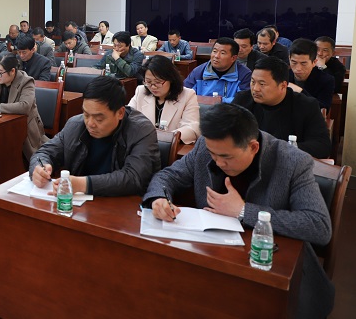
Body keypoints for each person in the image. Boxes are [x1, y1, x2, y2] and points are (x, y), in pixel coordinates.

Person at [142, 103, 333, 319]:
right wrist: (159, 197)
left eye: (227, 157)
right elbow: (168, 176)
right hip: (214, 259)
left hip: (268, 271)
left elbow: (319, 226)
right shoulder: (207, 146)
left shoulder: (293, 162)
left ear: (253, 147)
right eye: (213, 154)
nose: (218, 162)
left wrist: (243, 210)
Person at [30, 76, 160, 196]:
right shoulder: (75, 125)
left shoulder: (141, 131)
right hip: (78, 204)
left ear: (120, 113)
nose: (90, 123)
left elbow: (134, 178)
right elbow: (45, 152)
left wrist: (82, 184)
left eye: (99, 119)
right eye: (86, 114)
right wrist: (39, 167)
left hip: (121, 206)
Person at [232, 57, 330, 159]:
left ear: (283, 86)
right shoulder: (242, 100)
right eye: (253, 82)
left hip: (288, 161)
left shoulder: (306, 106)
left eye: (262, 84)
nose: (255, 89)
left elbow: (322, 146)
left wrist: (283, 149)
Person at [0, 54, 48, 165]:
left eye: (0, 72)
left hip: (24, 130)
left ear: (12, 71)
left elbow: (24, 106)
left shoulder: (26, 82)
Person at [129, 56, 200, 144]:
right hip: (142, 145)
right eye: (148, 82)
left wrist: (165, 138)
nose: (153, 87)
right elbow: (128, 119)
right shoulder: (141, 91)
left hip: (170, 147)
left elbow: (192, 128)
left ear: (171, 79)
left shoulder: (187, 95)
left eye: (158, 82)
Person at [183, 37, 251, 103]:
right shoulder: (199, 72)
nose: (216, 56)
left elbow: (244, 101)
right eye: (214, 51)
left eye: (222, 53)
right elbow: (184, 94)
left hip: (230, 110)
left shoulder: (244, 75)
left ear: (233, 58)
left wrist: (220, 101)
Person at [288, 38, 335, 111]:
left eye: (303, 63)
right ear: (289, 59)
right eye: (294, 62)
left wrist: (300, 91)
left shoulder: (326, 80)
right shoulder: (282, 76)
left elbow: (323, 109)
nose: (298, 68)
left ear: (314, 62)